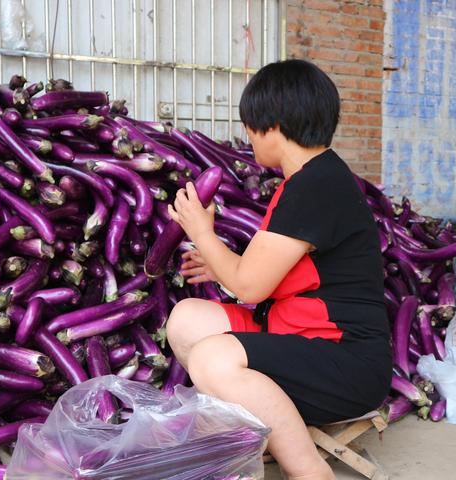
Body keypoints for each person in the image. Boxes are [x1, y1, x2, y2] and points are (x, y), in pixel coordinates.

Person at [166, 59, 392, 480]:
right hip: (296, 333)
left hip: (346, 362)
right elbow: (280, 273)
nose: (248, 136)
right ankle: (258, 429)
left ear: (272, 124)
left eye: (250, 126)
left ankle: (309, 471)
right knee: (186, 321)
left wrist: (201, 231)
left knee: (213, 358)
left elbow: (249, 286)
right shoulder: (311, 179)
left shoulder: (316, 186)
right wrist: (219, 268)